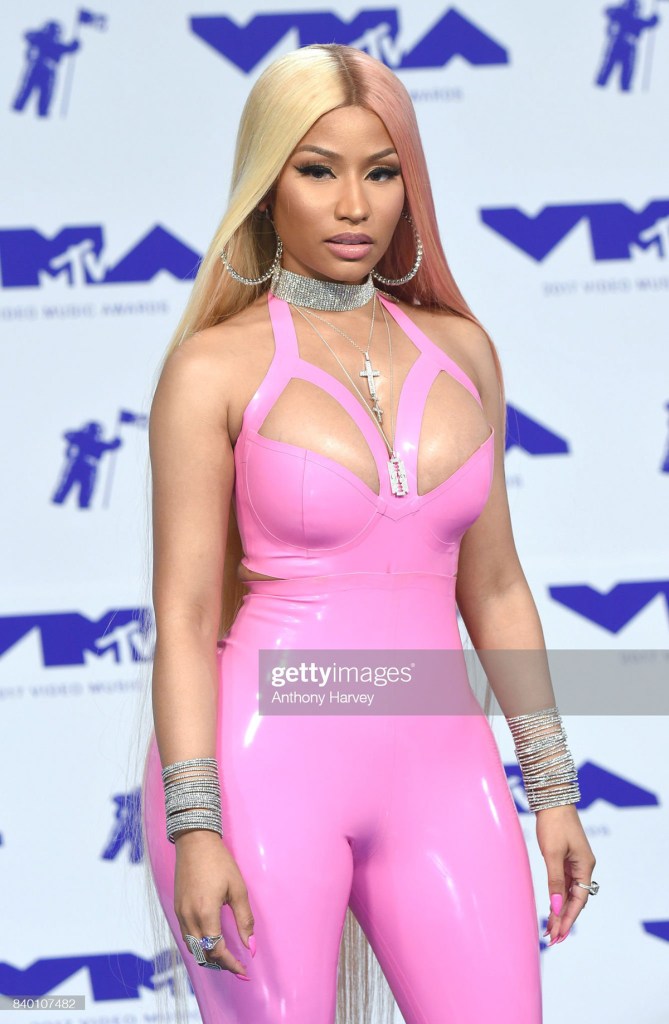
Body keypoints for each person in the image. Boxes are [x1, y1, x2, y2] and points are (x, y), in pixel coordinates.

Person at [140, 42, 598, 1024]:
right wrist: (195, 827)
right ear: (267, 187)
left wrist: (553, 787)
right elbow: (183, 616)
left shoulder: (464, 351)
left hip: (444, 771)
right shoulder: (211, 370)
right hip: (263, 768)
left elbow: (497, 587)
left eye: (381, 173)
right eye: (318, 171)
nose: (354, 205)